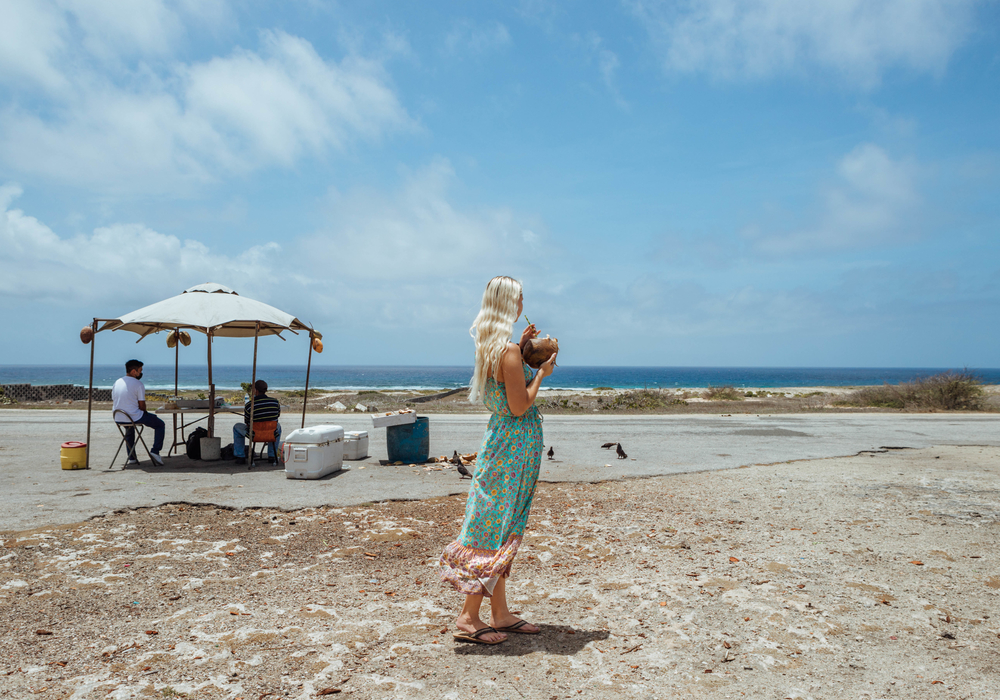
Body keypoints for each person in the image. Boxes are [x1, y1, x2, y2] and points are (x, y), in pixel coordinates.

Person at [438, 276, 557, 645]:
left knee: (501, 525)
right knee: (492, 526)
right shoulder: (505, 351)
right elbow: (520, 405)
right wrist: (540, 374)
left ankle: (500, 613)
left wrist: (522, 349)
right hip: (513, 447)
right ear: (509, 303)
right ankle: (468, 617)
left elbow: (505, 392)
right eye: (520, 297)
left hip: (503, 442)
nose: (523, 302)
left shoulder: (494, 348)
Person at [111, 359, 165, 466]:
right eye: (140, 370)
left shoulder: (117, 382)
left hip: (118, 417)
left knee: (129, 428)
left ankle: (132, 458)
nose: (141, 373)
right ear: (134, 371)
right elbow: (142, 406)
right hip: (134, 417)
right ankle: (155, 451)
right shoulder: (138, 384)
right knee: (160, 424)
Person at [234, 379, 281, 465]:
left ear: (255, 390)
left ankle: (240, 456)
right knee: (277, 426)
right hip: (270, 433)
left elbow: (247, 422)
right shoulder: (275, 402)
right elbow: (276, 417)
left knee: (237, 427)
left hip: (255, 435)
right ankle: (272, 455)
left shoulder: (249, 405)